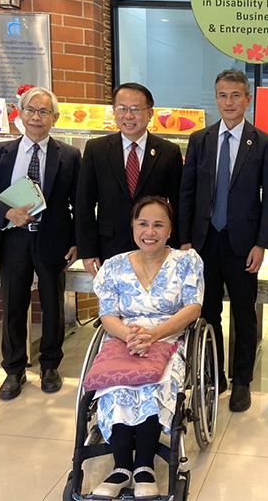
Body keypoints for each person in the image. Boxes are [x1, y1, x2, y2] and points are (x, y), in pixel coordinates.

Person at [179, 69, 268, 412]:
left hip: (243, 244)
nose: (229, 102)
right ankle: (213, 375)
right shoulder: (200, 140)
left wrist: (262, 243)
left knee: (244, 314)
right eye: (222, 95)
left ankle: (242, 381)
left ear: (248, 98)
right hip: (204, 242)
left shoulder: (263, 143)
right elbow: (187, 192)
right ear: (216, 98)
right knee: (207, 313)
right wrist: (185, 241)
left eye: (236, 95)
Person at [0, 87, 81, 400]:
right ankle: (14, 369)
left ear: (55, 118)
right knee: (14, 306)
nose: (36, 117)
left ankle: (49, 365)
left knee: (53, 306)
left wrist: (77, 242)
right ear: (20, 113)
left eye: (44, 111)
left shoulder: (70, 155)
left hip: (53, 240)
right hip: (13, 240)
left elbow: (79, 203)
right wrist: (6, 212)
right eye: (31, 110)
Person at [91, 196, 203, 499]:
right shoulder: (114, 265)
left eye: (158, 225)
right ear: (133, 226)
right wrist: (130, 336)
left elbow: (193, 308)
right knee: (117, 385)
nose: (149, 232)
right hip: (123, 340)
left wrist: (153, 335)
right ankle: (121, 466)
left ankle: (144, 467)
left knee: (155, 384)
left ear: (169, 231)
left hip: (169, 338)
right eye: (143, 224)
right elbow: (107, 315)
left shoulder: (187, 262)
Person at [77, 82, 183, 277]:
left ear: (150, 113)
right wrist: (88, 250)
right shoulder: (96, 150)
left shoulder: (169, 152)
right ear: (114, 112)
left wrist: (177, 248)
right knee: (113, 305)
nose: (128, 116)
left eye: (135, 109)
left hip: (155, 248)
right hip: (108, 246)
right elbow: (84, 204)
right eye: (122, 109)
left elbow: (177, 205)